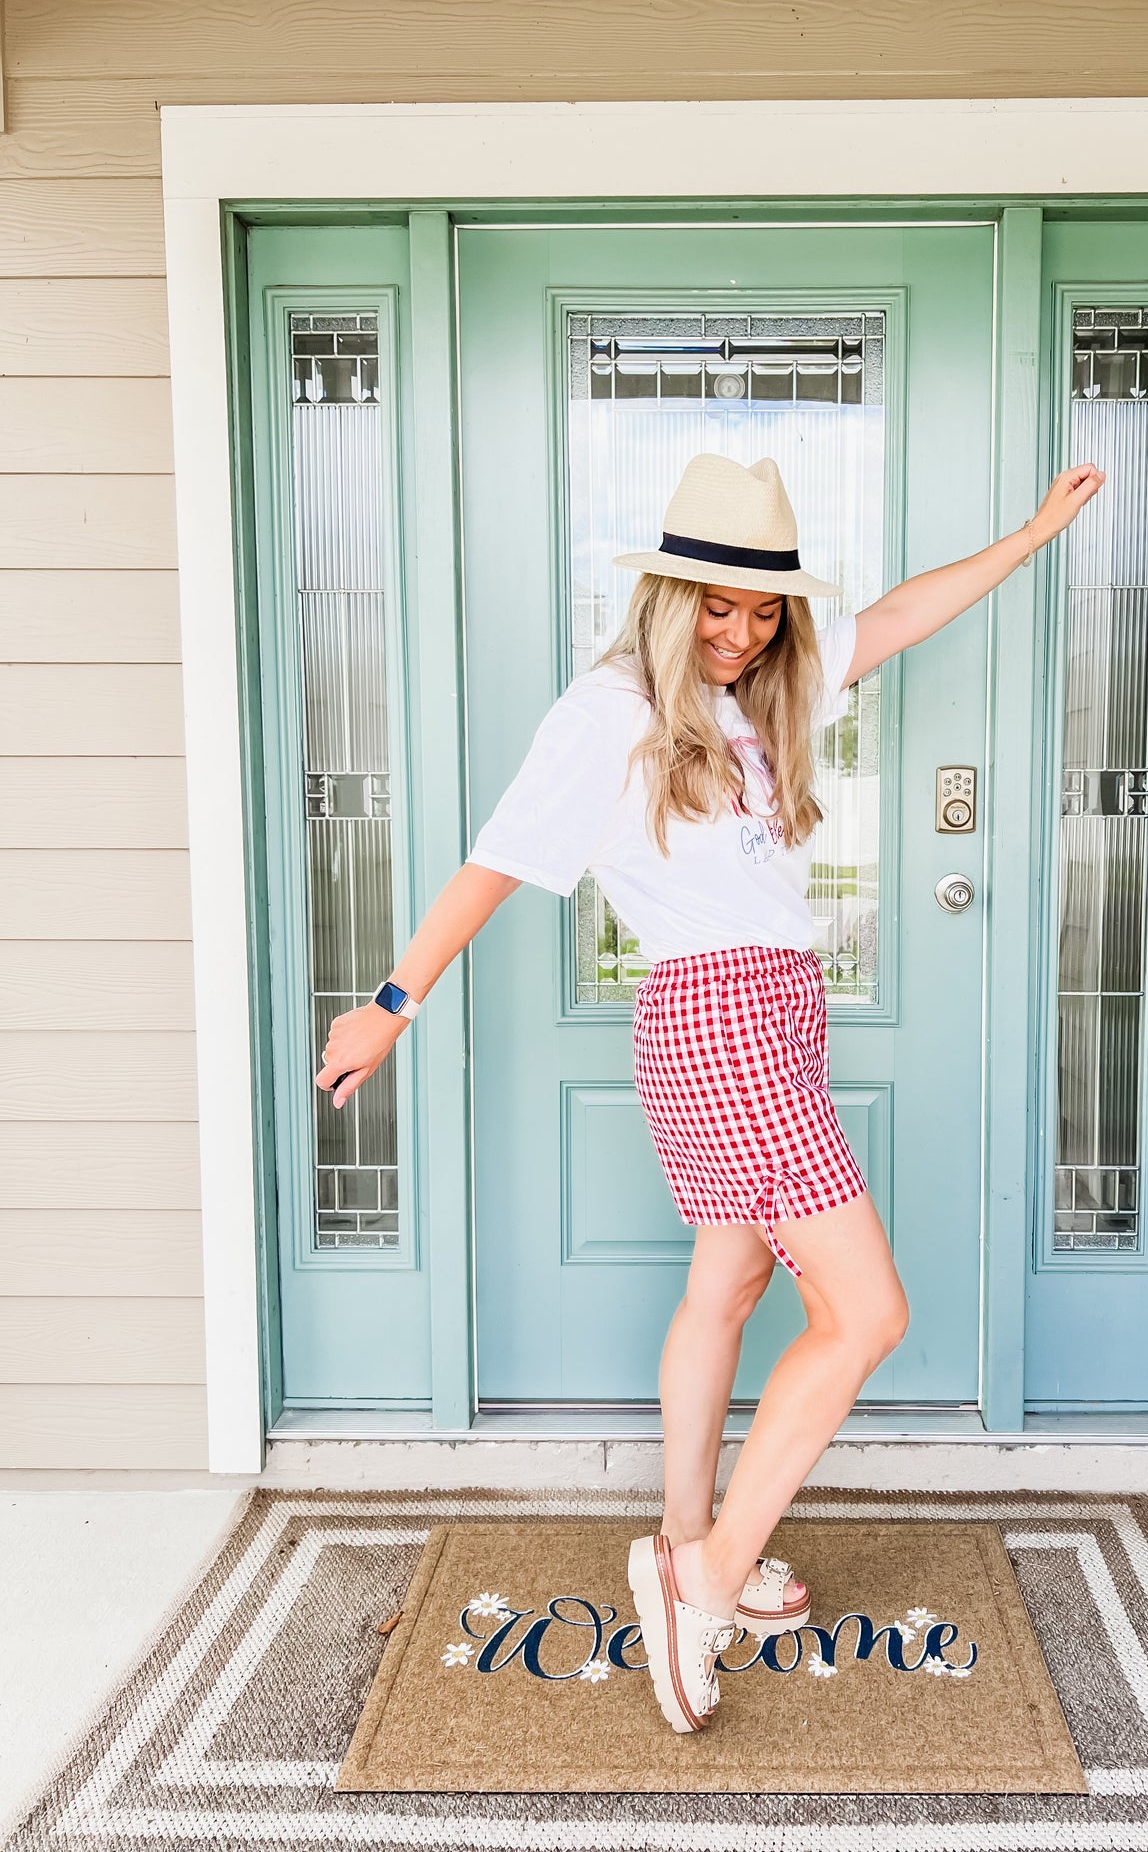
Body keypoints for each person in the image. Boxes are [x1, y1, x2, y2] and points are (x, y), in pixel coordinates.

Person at [315, 448, 1104, 1735]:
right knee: (865, 1313)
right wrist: (391, 1002)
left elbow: (896, 615)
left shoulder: (765, 691)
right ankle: (707, 1582)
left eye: (762, 608)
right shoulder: (608, 712)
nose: (739, 633)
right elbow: (493, 864)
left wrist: (1023, 540)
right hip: (718, 1022)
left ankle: (683, 1531)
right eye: (715, 606)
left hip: (770, 1016)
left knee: (728, 1283)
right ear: (666, 597)